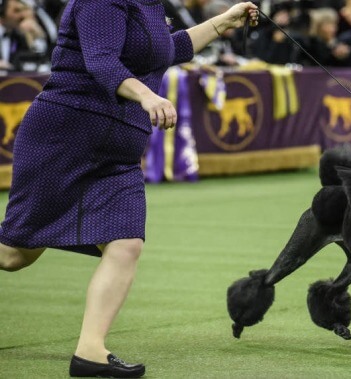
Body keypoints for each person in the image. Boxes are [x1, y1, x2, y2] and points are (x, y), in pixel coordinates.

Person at [0, 1, 258, 378]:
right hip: (65, 137)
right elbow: (102, 61)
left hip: (119, 153)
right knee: (14, 256)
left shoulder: (152, 5)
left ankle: (90, 352)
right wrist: (148, 96)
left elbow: (168, 50)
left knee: (126, 243)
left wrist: (221, 23)